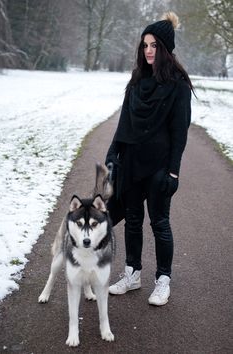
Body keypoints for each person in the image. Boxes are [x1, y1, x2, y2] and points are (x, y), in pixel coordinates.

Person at [105, 11, 194, 306]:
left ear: (166, 49)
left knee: (159, 223)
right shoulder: (136, 80)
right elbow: (124, 122)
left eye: (154, 45)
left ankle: (163, 280)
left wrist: (173, 172)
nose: (148, 51)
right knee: (132, 220)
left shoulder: (178, 85)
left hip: (158, 165)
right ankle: (132, 274)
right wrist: (112, 155)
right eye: (145, 45)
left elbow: (179, 133)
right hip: (131, 161)